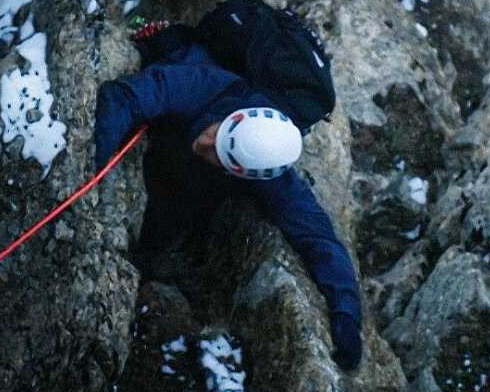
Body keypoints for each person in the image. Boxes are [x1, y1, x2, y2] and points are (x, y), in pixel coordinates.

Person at [94, 22, 362, 371]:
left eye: (217, 154)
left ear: (244, 172)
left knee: (192, 193)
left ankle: (159, 254)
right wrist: (90, 172)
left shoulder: (270, 173)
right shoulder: (204, 84)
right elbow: (125, 96)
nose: (204, 143)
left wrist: (347, 321)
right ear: (235, 118)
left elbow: (318, 237)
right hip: (178, 92)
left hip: (189, 181)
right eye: (216, 135)